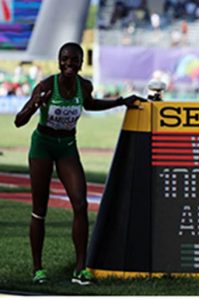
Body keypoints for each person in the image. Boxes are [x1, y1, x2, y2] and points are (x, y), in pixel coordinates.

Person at [14, 42, 140, 285]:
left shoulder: (84, 86)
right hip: (43, 145)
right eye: (65, 59)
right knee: (39, 210)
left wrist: (121, 101)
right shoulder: (47, 85)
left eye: (74, 60)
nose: (69, 64)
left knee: (80, 204)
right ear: (59, 61)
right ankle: (38, 268)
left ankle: (80, 268)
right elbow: (19, 121)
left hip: (67, 148)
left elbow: (90, 104)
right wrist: (36, 103)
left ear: (82, 63)